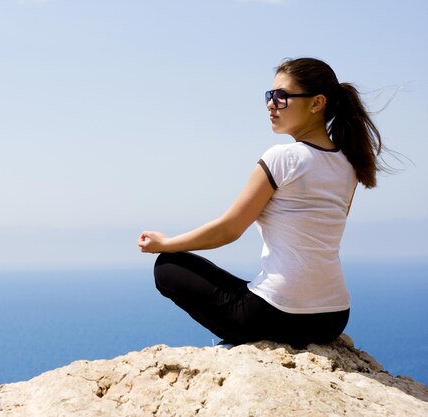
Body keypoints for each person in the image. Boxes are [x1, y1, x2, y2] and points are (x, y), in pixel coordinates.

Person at [138, 57, 384, 347]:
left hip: (277, 315)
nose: (271, 104)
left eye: (282, 97)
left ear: (317, 103)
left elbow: (229, 230)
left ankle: (238, 341)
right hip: (332, 317)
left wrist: (165, 244)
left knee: (169, 267)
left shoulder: (283, 158)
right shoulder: (348, 165)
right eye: (270, 96)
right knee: (248, 288)